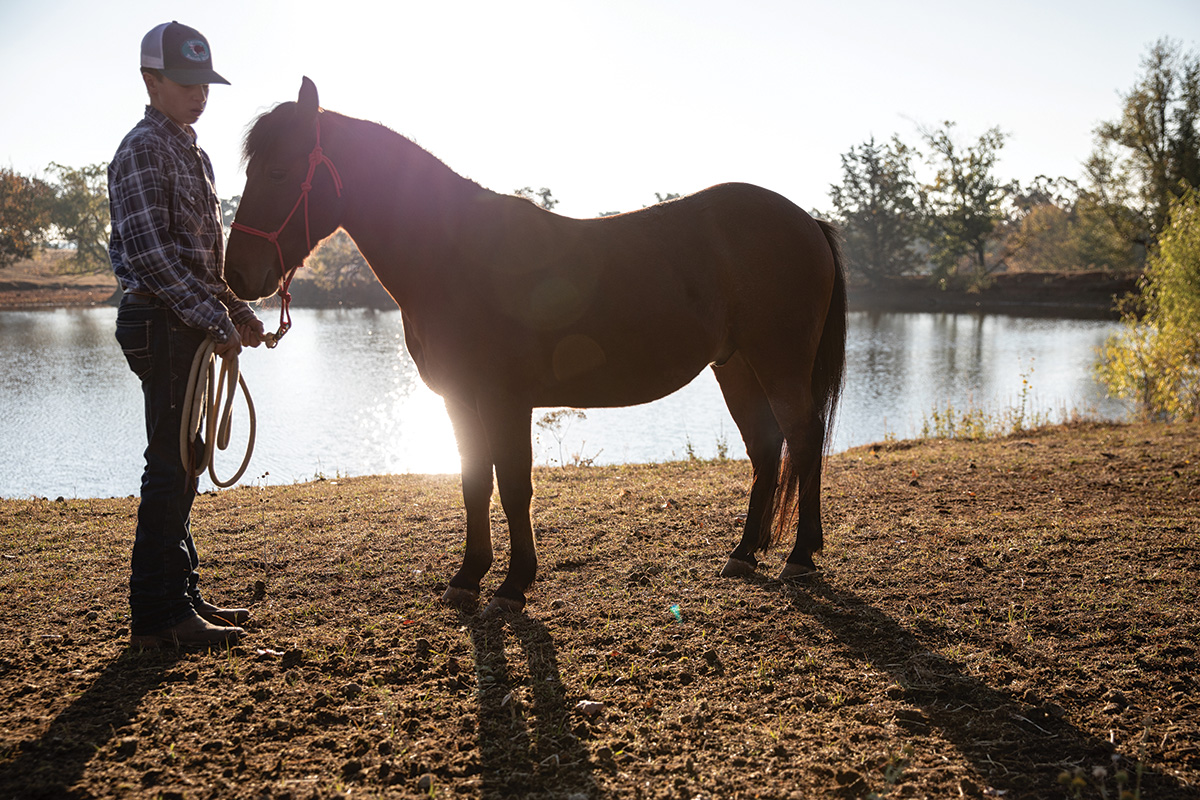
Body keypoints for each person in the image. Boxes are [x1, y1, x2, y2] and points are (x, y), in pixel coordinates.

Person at [109, 21, 265, 648]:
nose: (200, 93)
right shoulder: (143, 149)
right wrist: (214, 317)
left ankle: (180, 596)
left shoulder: (193, 153)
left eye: (205, 82)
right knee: (170, 464)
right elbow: (151, 257)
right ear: (152, 81)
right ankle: (156, 616)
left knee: (186, 458)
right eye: (187, 81)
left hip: (186, 322)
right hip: (160, 322)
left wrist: (237, 310)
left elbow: (199, 260)